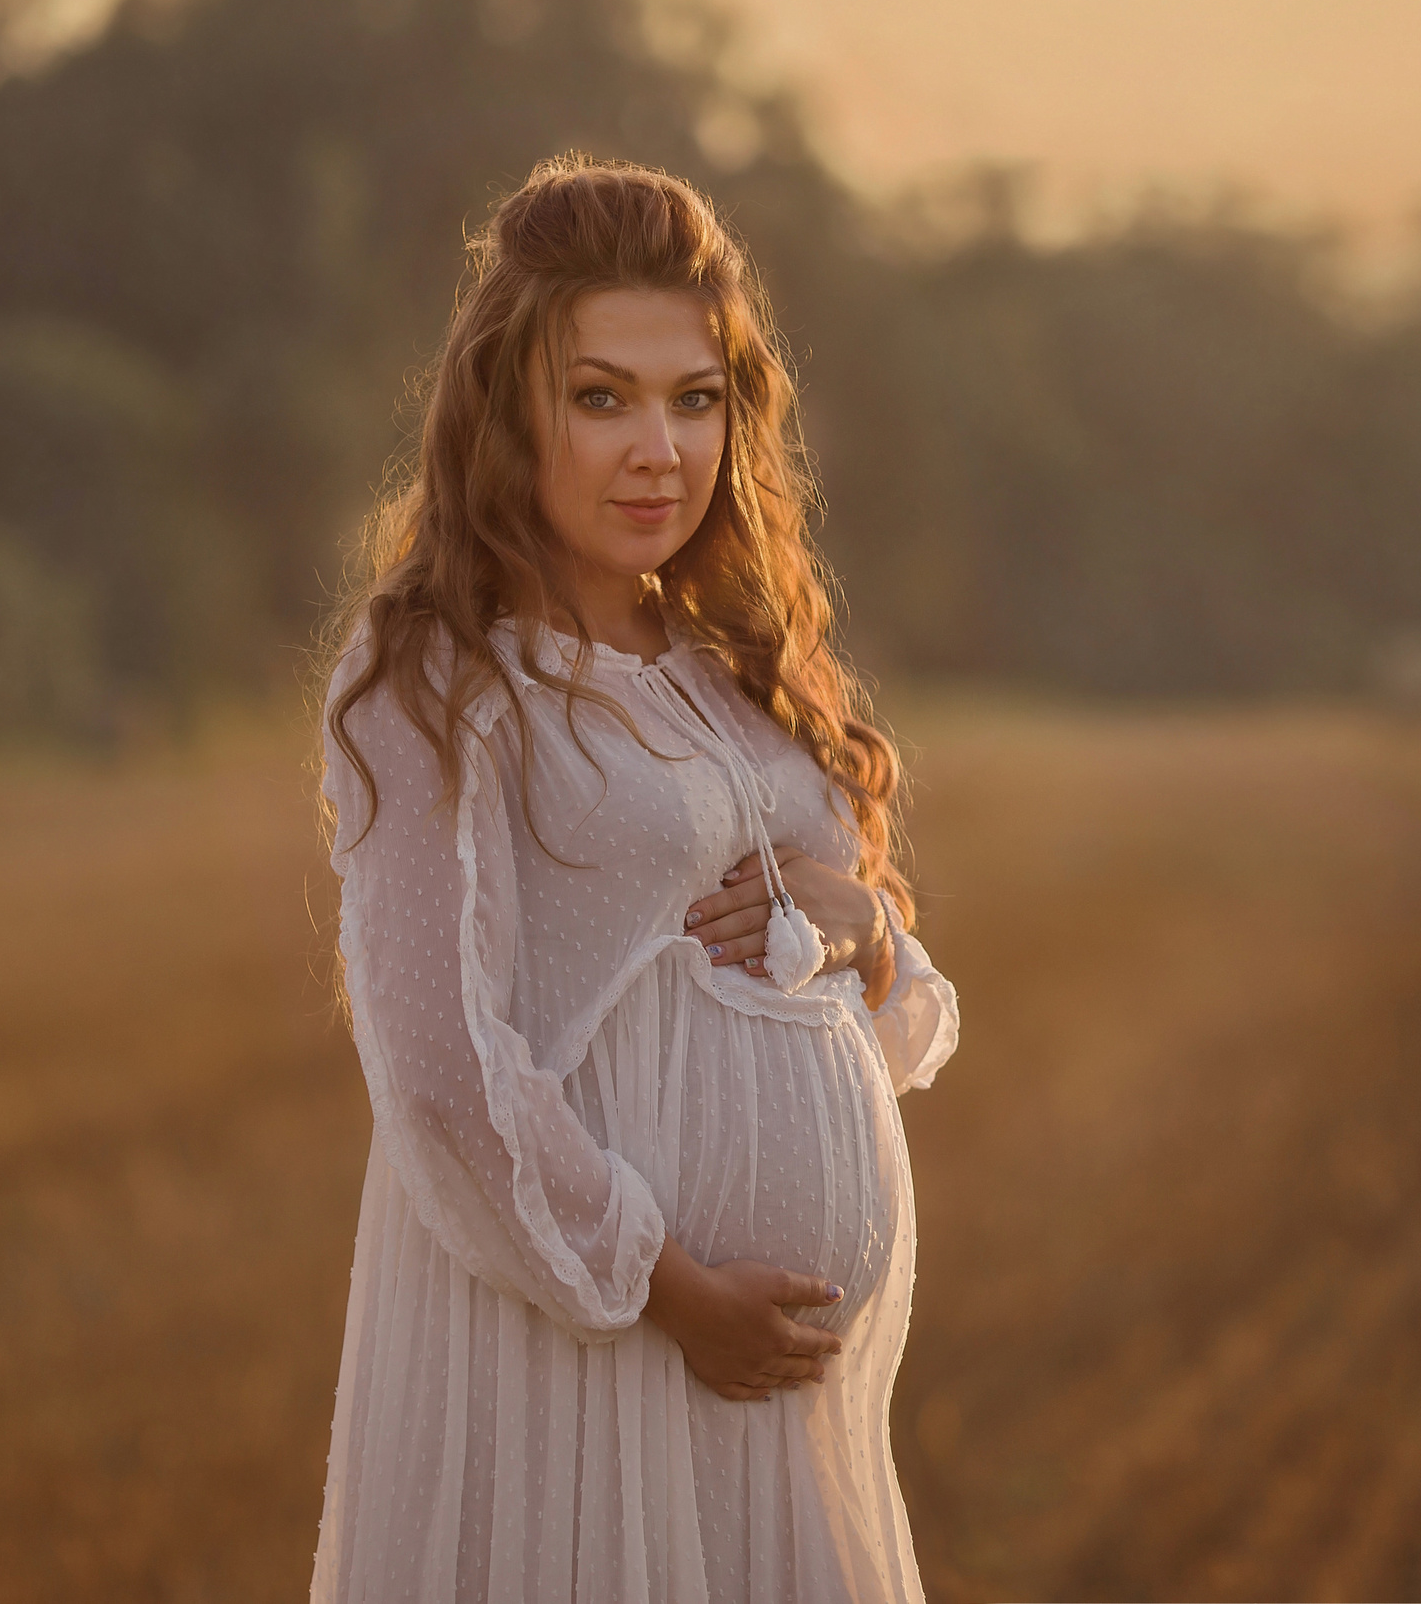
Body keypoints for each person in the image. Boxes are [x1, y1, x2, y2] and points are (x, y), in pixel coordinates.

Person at [308, 154, 961, 1604]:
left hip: (771, 1405)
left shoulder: (735, 668)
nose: (657, 448)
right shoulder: (443, 672)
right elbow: (439, 1070)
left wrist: (859, 924)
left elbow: (891, 991)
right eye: (600, 397)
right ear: (507, 413)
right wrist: (675, 1296)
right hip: (583, 1361)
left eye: (695, 397)